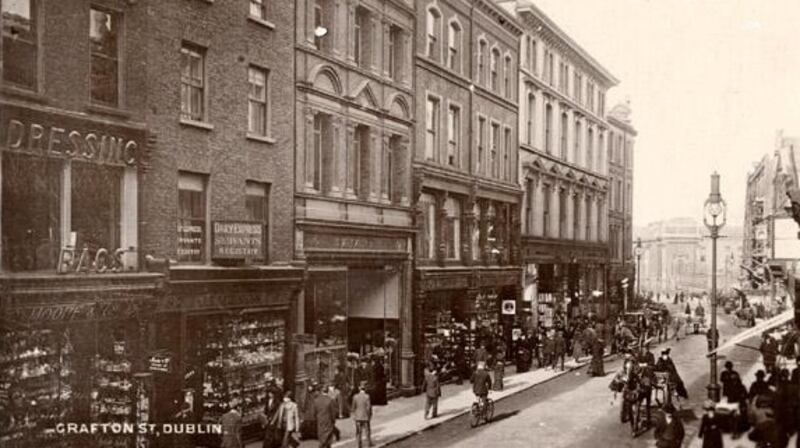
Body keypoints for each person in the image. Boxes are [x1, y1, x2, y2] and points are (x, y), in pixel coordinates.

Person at [313, 383, 338, 448]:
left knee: (321, 437)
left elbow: (314, 412)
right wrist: (333, 421)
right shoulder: (330, 400)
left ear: (321, 391)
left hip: (320, 421)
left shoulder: (316, 400)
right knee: (328, 440)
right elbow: (333, 413)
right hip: (328, 421)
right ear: (328, 391)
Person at [351, 381, 373, 448]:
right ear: (365, 388)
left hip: (358, 417)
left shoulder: (355, 397)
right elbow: (368, 407)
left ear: (359, 388)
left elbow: (353, 407)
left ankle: (358, 445)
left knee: (358, 432)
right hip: (365, 416)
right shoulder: (367, 396)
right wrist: (370, 415)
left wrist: (354, 415)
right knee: (367, 431)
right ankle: (368, 444)